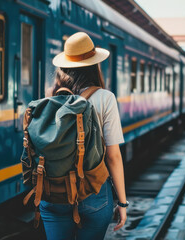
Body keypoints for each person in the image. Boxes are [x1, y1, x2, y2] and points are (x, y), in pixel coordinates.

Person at [39, 32, 127, 240]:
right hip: (92, 193)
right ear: (95, 66)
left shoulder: (51, 99)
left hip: (54, 192)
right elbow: (113, 156)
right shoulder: (105, 98)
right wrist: (122, 203)